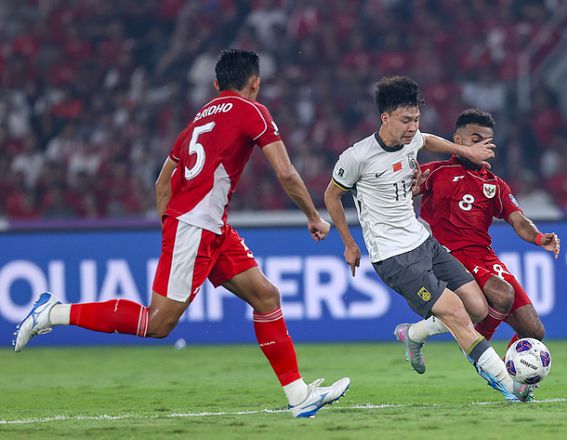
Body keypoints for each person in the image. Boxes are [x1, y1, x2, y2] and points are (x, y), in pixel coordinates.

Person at [13, 49, 350, 418]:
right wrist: (312, 216)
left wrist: (172, 229)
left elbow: (162, 184)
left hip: (209, 226)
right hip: (196, 226)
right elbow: (285, 172)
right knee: (157, 323)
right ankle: (53, 312)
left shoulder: (197, 121)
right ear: (255, 83)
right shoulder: (253, 111)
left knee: (266, 296)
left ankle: (299, 396)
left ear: (216, 84)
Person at [324, 76, 533, 402]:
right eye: (406, 120)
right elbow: (331, 196)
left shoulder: (413, 139)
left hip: (423, 242)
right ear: (385, 118)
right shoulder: (357, 157)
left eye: (417, 119)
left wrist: (465, 151)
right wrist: (349, 243)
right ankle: (509, 384)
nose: (413, 128)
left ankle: (414, 333)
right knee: (456, 313)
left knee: (478, 307)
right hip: (393, 256)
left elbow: (429, 140)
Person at [396, 108, 560, 375]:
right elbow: (397, 192)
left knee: (534, 331)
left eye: (487, 141)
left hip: (484, 257)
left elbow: (518, 219)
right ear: (457, 140)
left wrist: (540, 237)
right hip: (447, 256)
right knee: (502, 295)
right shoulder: (435, 172)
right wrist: (405, 191)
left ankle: (515, 376)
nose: (483, 145)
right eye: (476, 139)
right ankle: (477, 347)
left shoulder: (495, 185)